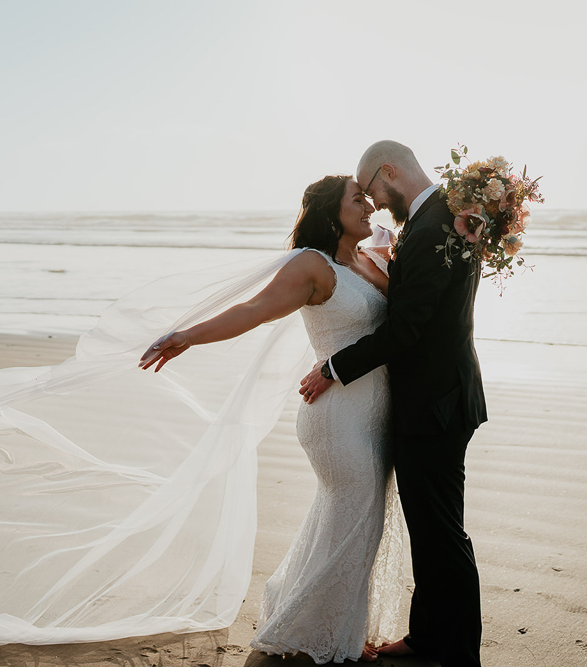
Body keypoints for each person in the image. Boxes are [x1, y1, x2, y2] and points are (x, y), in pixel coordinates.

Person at [142, 175, 404, 663]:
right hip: (337, 415)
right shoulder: (312, 265)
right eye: (357, 199)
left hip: (376, 411)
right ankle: (314, 633)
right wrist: (189, 336)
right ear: (331, 213)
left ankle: (331, 626)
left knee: (353, 520)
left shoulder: (369, 259)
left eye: (369, 199)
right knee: (355, 519)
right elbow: (257, 308)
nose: (369, 206)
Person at [299, 141, 488, 666]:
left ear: (390, 170)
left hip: (435, 403)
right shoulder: (451, 217)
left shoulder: (434, 227)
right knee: (433, 528)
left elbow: (406, 328)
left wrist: (334, 368)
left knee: (441, 533)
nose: (376, 206)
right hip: (447, 395)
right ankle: (431, 637)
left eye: (375, 193)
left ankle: (451, 651)